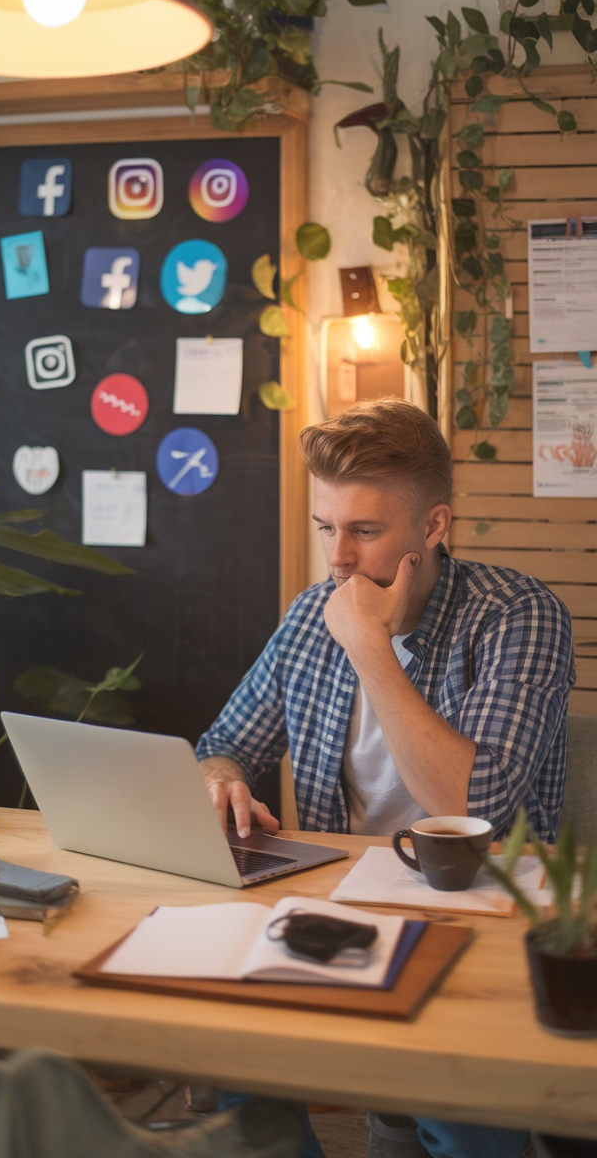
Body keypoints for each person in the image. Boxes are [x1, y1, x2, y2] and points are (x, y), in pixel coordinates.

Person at [195, 397, 575, 1158]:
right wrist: (220, 779)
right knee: (229, 1063)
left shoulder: (519, 616)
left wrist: (371, 649)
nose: (337, 559)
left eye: (364, 532)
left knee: (464, 1116)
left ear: (432, 528)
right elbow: (223, 743)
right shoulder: (313, 616)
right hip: (343, 914)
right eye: (327, 529)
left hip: (480, 921)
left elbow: (473, 813)